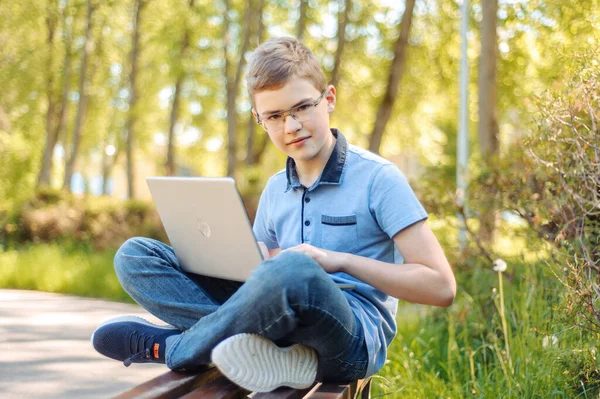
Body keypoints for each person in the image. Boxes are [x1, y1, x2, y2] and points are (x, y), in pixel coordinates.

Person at [91, 36, 456, 393]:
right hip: (280, 326)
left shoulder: (378, 178)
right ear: (259, 120)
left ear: (328, 99)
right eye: (275, 116)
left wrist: (337, 261)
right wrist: (255, 263)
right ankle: (261, 351)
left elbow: (441, 287)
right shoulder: (274, 189)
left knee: (296, 271)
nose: (291, 126)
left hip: (351, 340)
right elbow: (257, 286)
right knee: (136, 254)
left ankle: (175, 347)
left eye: (301, 108)